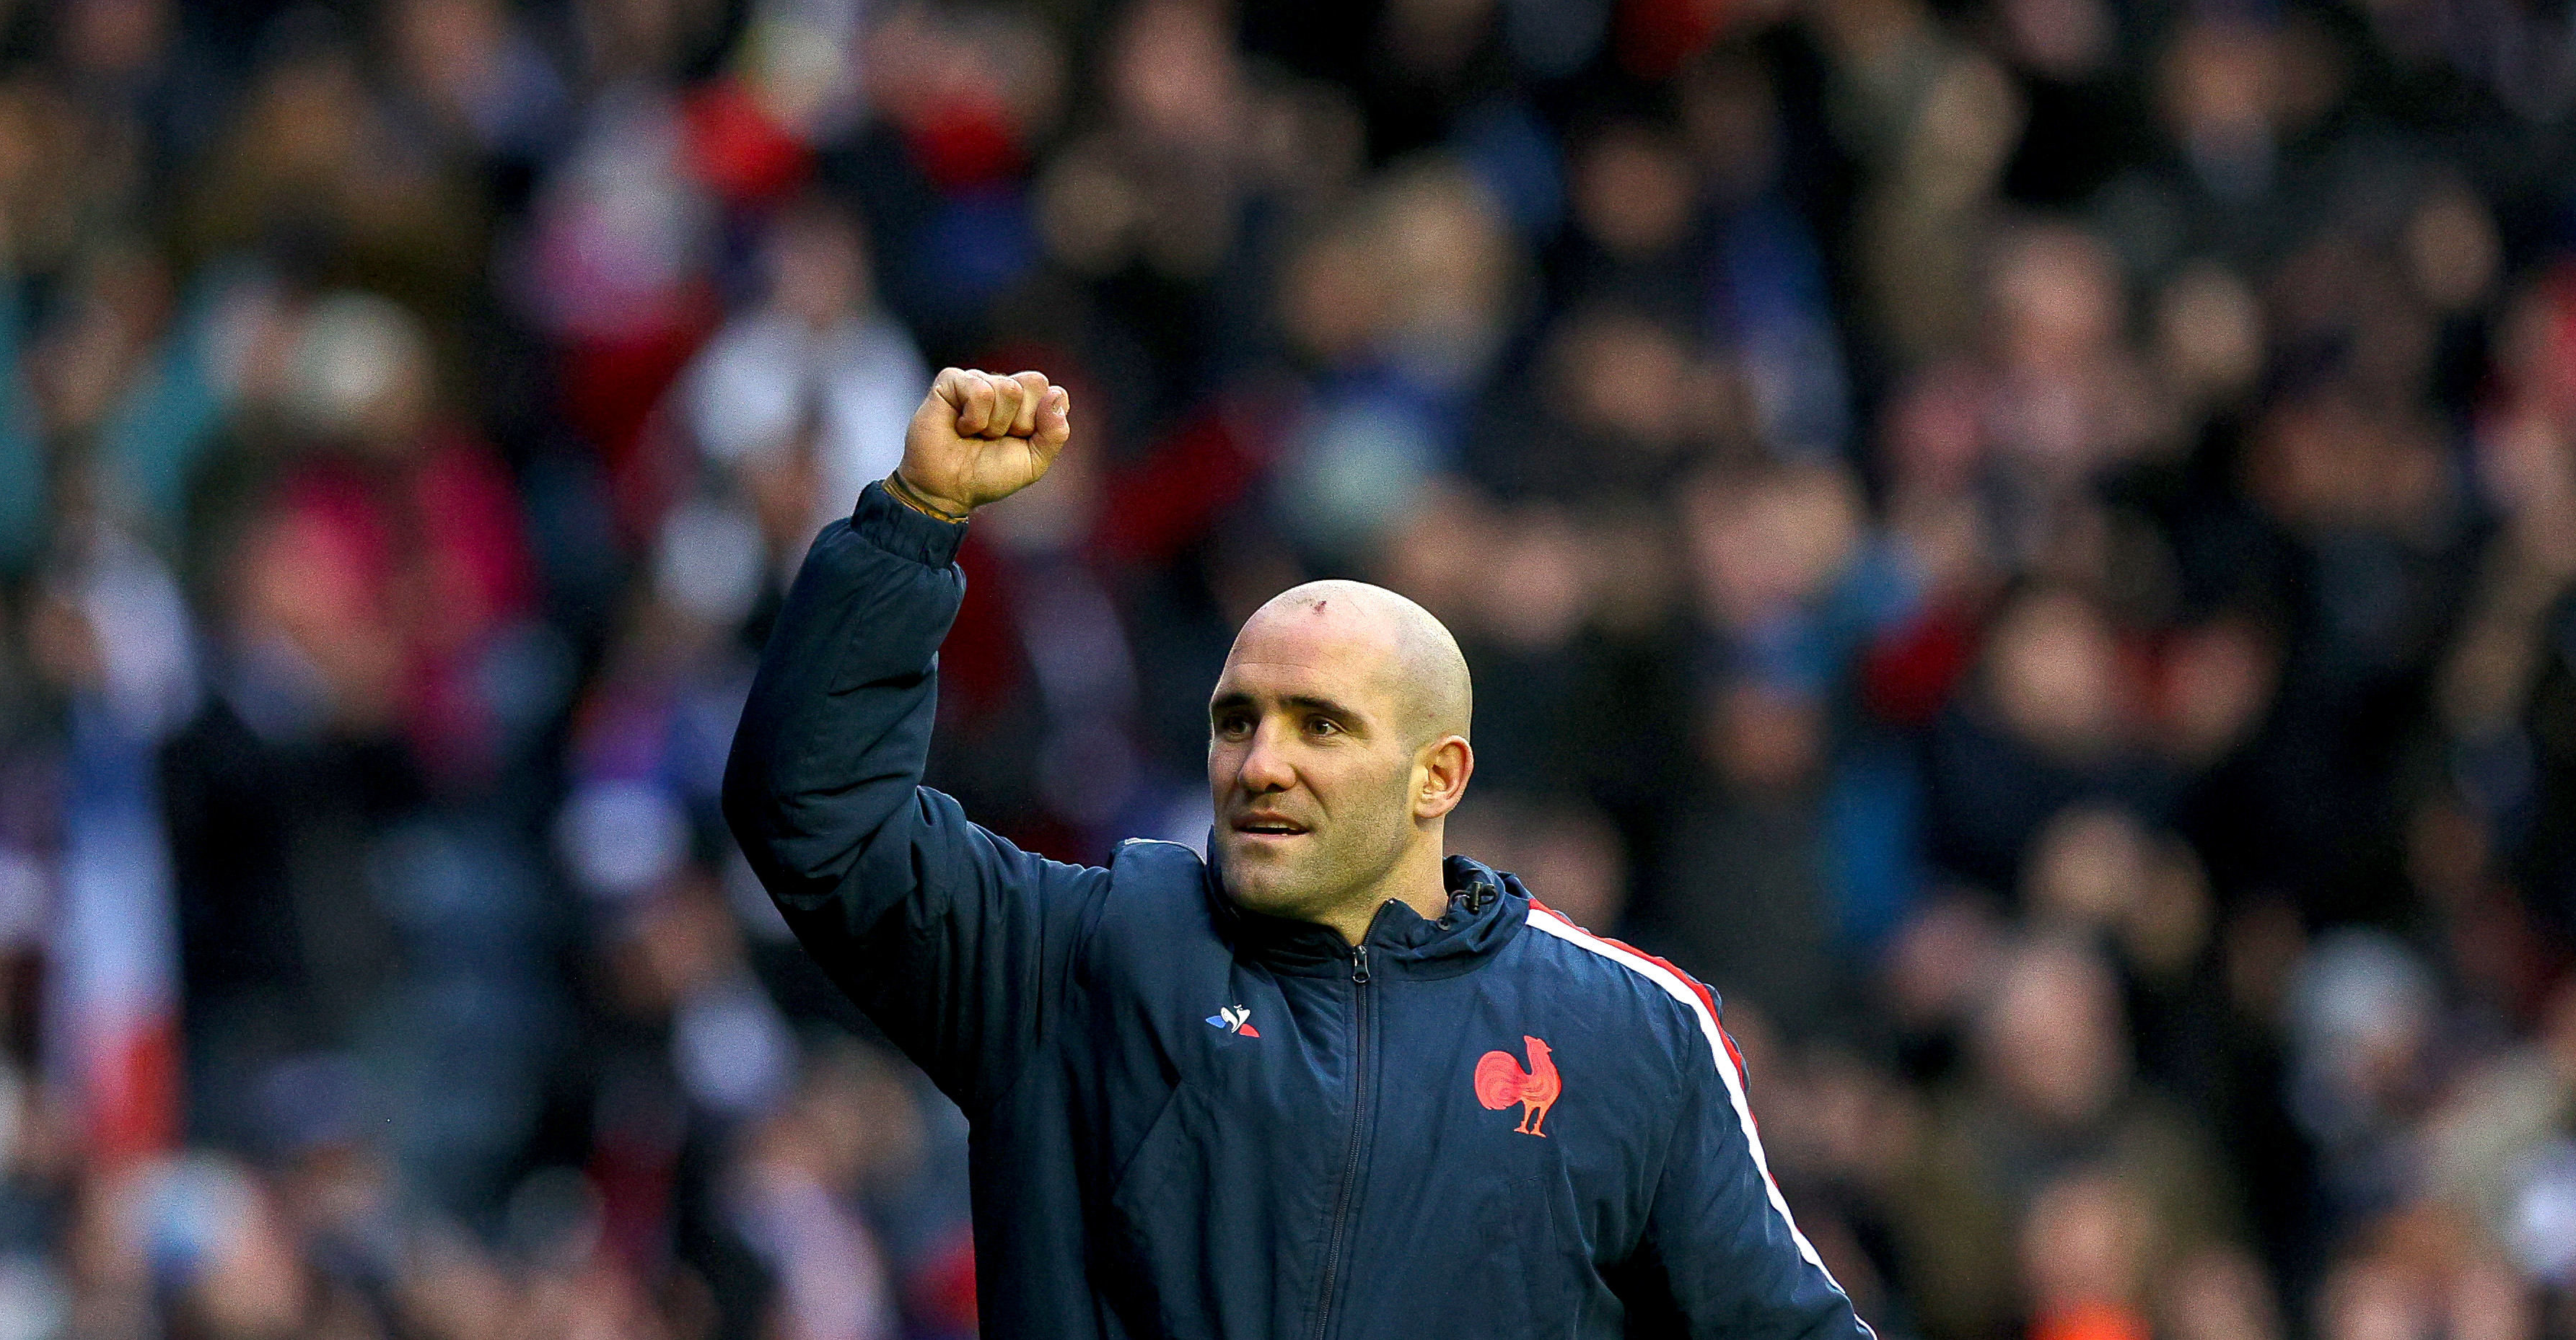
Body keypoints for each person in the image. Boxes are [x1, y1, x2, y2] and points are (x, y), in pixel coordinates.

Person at [725, 367, 1871, 1339]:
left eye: (1321, 726)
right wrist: (912, 523)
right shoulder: (1075, 955)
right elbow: (818, 814)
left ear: (1440, 778)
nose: (1261, 762)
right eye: (1238, 721)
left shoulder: (1632, 1028)